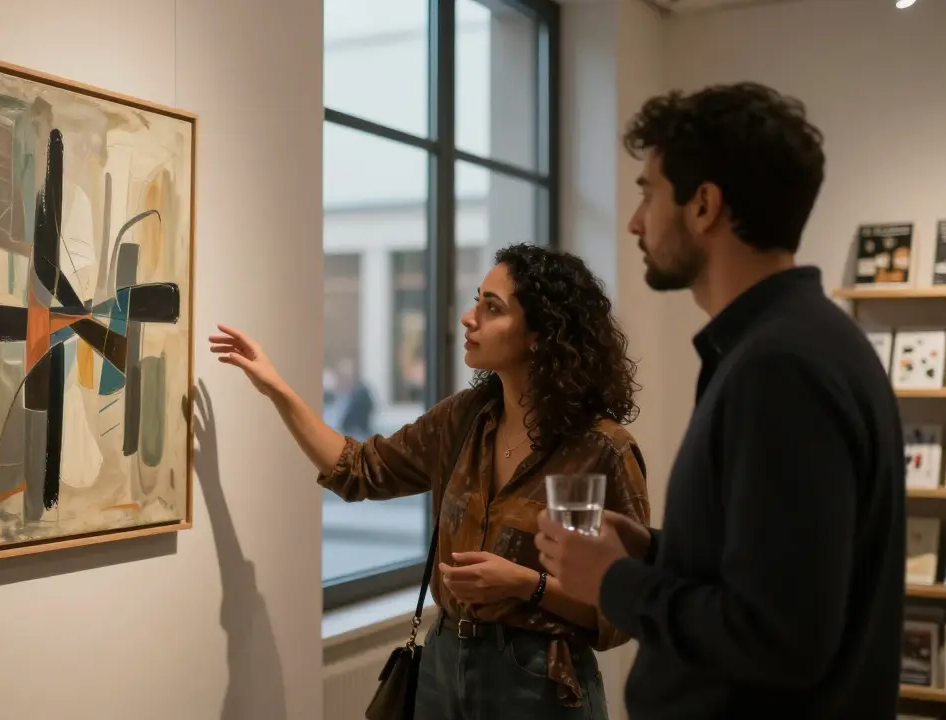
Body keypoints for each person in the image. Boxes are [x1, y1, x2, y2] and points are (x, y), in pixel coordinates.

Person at [534, 82, 906, 719]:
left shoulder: (780, 368)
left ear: (704, 205)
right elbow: (779, 572)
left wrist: (613, 582)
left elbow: (780, 639)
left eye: (647, 191)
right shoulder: (802, 343)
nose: (633, 221)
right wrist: (655, 552)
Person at [212, 243, 650, 719]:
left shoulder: (600, 449)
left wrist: (528, 584)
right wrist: (276, 387)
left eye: (492, 307)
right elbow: (359, 470)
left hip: (539, 679)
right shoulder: (463, 419)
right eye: (477, 299)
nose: (468, 317)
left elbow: (625, 608)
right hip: (444, 664)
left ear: (541, 335)